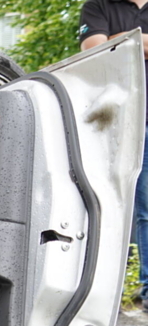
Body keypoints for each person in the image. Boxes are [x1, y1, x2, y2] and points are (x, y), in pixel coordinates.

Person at [80, 0, 148, 308]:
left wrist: (122, 40)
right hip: (120, 122)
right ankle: (109, 291)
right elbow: (95, 51)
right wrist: (134, 43)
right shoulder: (97, 6)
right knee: (112, 207)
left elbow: (111, 45)